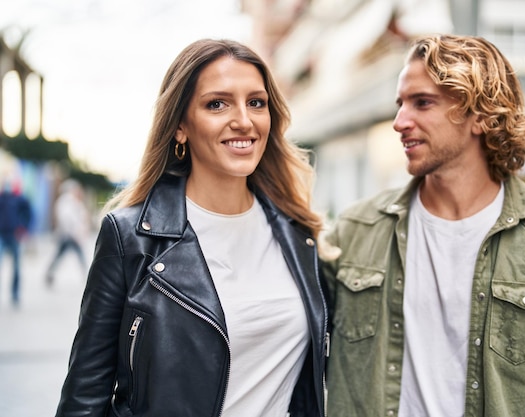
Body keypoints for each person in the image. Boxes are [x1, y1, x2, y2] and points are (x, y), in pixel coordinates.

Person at [320, 34, 525, 417]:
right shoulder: (356, 230)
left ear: (481, 115)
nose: (399, 122)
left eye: (422, 103)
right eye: (400, 104)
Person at [55, 39, 328, 417]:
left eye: (256, 102)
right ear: (181, 126)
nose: (244, 121)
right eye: (217, 104)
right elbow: (84, 397)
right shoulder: (130, 237)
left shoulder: (300, 235)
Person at [46, 179, 90, 286]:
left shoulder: (72, 201)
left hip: (70, 234)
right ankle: (88, 275)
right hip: (69, 234)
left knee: (61, 255)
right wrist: (74, 232)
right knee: (77, 255)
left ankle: (50, 273)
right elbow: (66, 218)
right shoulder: (66, 201)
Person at [0, 179, 33, 306]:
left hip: (14, 235)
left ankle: (15, 294)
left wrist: (24, 227)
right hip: (2, 234)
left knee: (16, 267)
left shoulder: (19, 199)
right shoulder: (1, 198)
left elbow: (29, 213)